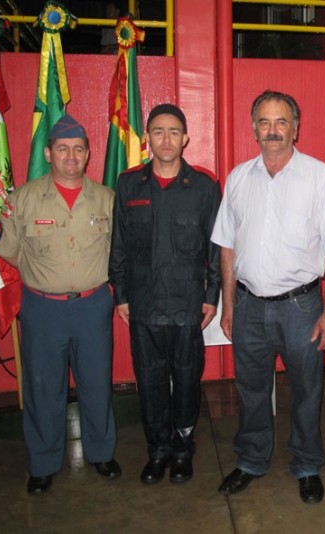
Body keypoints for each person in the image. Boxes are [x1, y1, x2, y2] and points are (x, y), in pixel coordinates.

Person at [210, 90, 325, 504]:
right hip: (248, 306)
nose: (272, 130)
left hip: (301, 307)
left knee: (306, 390)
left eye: (281, 122)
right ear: (254, 128)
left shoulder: (320, 177)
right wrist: (229, 306)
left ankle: (306, 464)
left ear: (295, 128)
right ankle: (251, 460)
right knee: (250, 389)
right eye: (265, 122)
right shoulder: (237, 179)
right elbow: (227, 246)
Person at [0, 114, 120, 495]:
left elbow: (120, 251)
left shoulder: (107, 199)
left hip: (92, 306)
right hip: (43, 309)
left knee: (97, 384)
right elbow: (7, 249)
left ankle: (101, 453)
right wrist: (45, 275)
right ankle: (43, 463)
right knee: (43, 388)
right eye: (63, 149)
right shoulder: (23, 199)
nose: (71, 156)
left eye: (78, 149)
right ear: (48, 153)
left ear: (88, 154)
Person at [109, 103, 221, 485]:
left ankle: (183, 449)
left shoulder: (204, 187)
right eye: (158, 131)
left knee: (187, 380)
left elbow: (215, 248)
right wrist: (121, 295)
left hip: (188, 305)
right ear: (147, 138)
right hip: (144, 304)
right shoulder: (129, 185)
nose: (167, 139)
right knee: (150, 380)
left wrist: (211, 295)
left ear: (185, 138)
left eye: (174, 131)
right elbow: (119, 245)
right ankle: (157, 450)